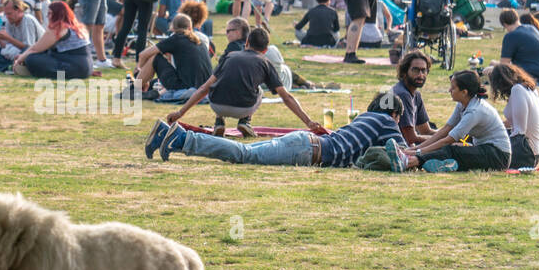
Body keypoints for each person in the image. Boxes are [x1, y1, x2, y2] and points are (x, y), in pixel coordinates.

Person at [149, 92, 392, 167]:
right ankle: (182, 139)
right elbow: (404, 153)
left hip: (304, 143)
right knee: (244, 155)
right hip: (307, 151)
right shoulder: (387, 122)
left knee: (242, 151)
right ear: (395, 115)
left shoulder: (365, 118)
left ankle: (165, 134)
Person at [162, 27, 317, 138]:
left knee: (219, 85)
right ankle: (245, 121)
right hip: (244, 107)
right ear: (265, 50)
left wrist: (180, 113)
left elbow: (204, 88)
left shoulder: (229, 56)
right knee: (260, 92)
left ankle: (219, 121)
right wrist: (308, 121)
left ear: (246, 43)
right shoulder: (265, 62)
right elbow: (286, 97)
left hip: (216, 104)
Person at [389, 70, 511, 173]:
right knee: (453, 149)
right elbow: (445, 130)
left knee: (451, 149)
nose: (449, 90)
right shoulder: (463, 104)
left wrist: (416, 152)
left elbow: (447, 140)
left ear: (464, 92)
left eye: (453, 88)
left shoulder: (475, 111)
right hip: (486, 150)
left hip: (498, 155)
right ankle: (445, 165)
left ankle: (410, 162)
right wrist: (416, 149)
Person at [128, 13, 213, 99]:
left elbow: (143, 55)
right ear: (190, 28)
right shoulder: (200, 41)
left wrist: (138, 69)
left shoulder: (176, 38)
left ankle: (134, 88)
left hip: (185, 87)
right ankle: (148, 88)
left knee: (155, 58)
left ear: (173, 28)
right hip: (206, 87)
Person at [12, 0, 93, 80]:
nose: (48, 17)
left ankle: (36, 71)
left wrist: (19, 60)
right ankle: (35, 70)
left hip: (71, 68)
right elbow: (39, 47)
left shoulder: (59, 27)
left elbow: (35, 48)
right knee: (27, 52)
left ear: (58, 14)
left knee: (31, 59)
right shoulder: (77, 27)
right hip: (84, 69)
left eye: (50, 13)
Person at [489, 63, 539, 169]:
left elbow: (519, 131)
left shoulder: (517, 90)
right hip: (535, 151)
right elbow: (513, 122)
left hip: (525, 151)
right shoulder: (530, 89)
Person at [0, 0, 45, 72]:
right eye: (6, 14)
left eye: (9, 14)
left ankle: (9, 67)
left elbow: (29, 47)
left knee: (26, 50)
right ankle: (9, 67)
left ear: (19, 10)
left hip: (35, 53)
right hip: (17, 52)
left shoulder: (27, 20)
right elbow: (7, 47)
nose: (7, 17)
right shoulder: (10, 22)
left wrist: (7, 38)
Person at [389, 50, 434, 144]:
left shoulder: (416, 95)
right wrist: (446, 141)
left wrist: (454, 134)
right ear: (404, 72)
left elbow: (426, 131)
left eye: (423, 70)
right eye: (415, 70)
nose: (420, 75)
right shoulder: (402, 94)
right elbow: (411, 138)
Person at [498, 8, 539, 84]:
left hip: (531, 78)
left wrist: (492, 70)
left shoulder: (511, 36)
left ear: (505, 24)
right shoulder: (532, 29)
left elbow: (504, 67)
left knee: (491, 71)